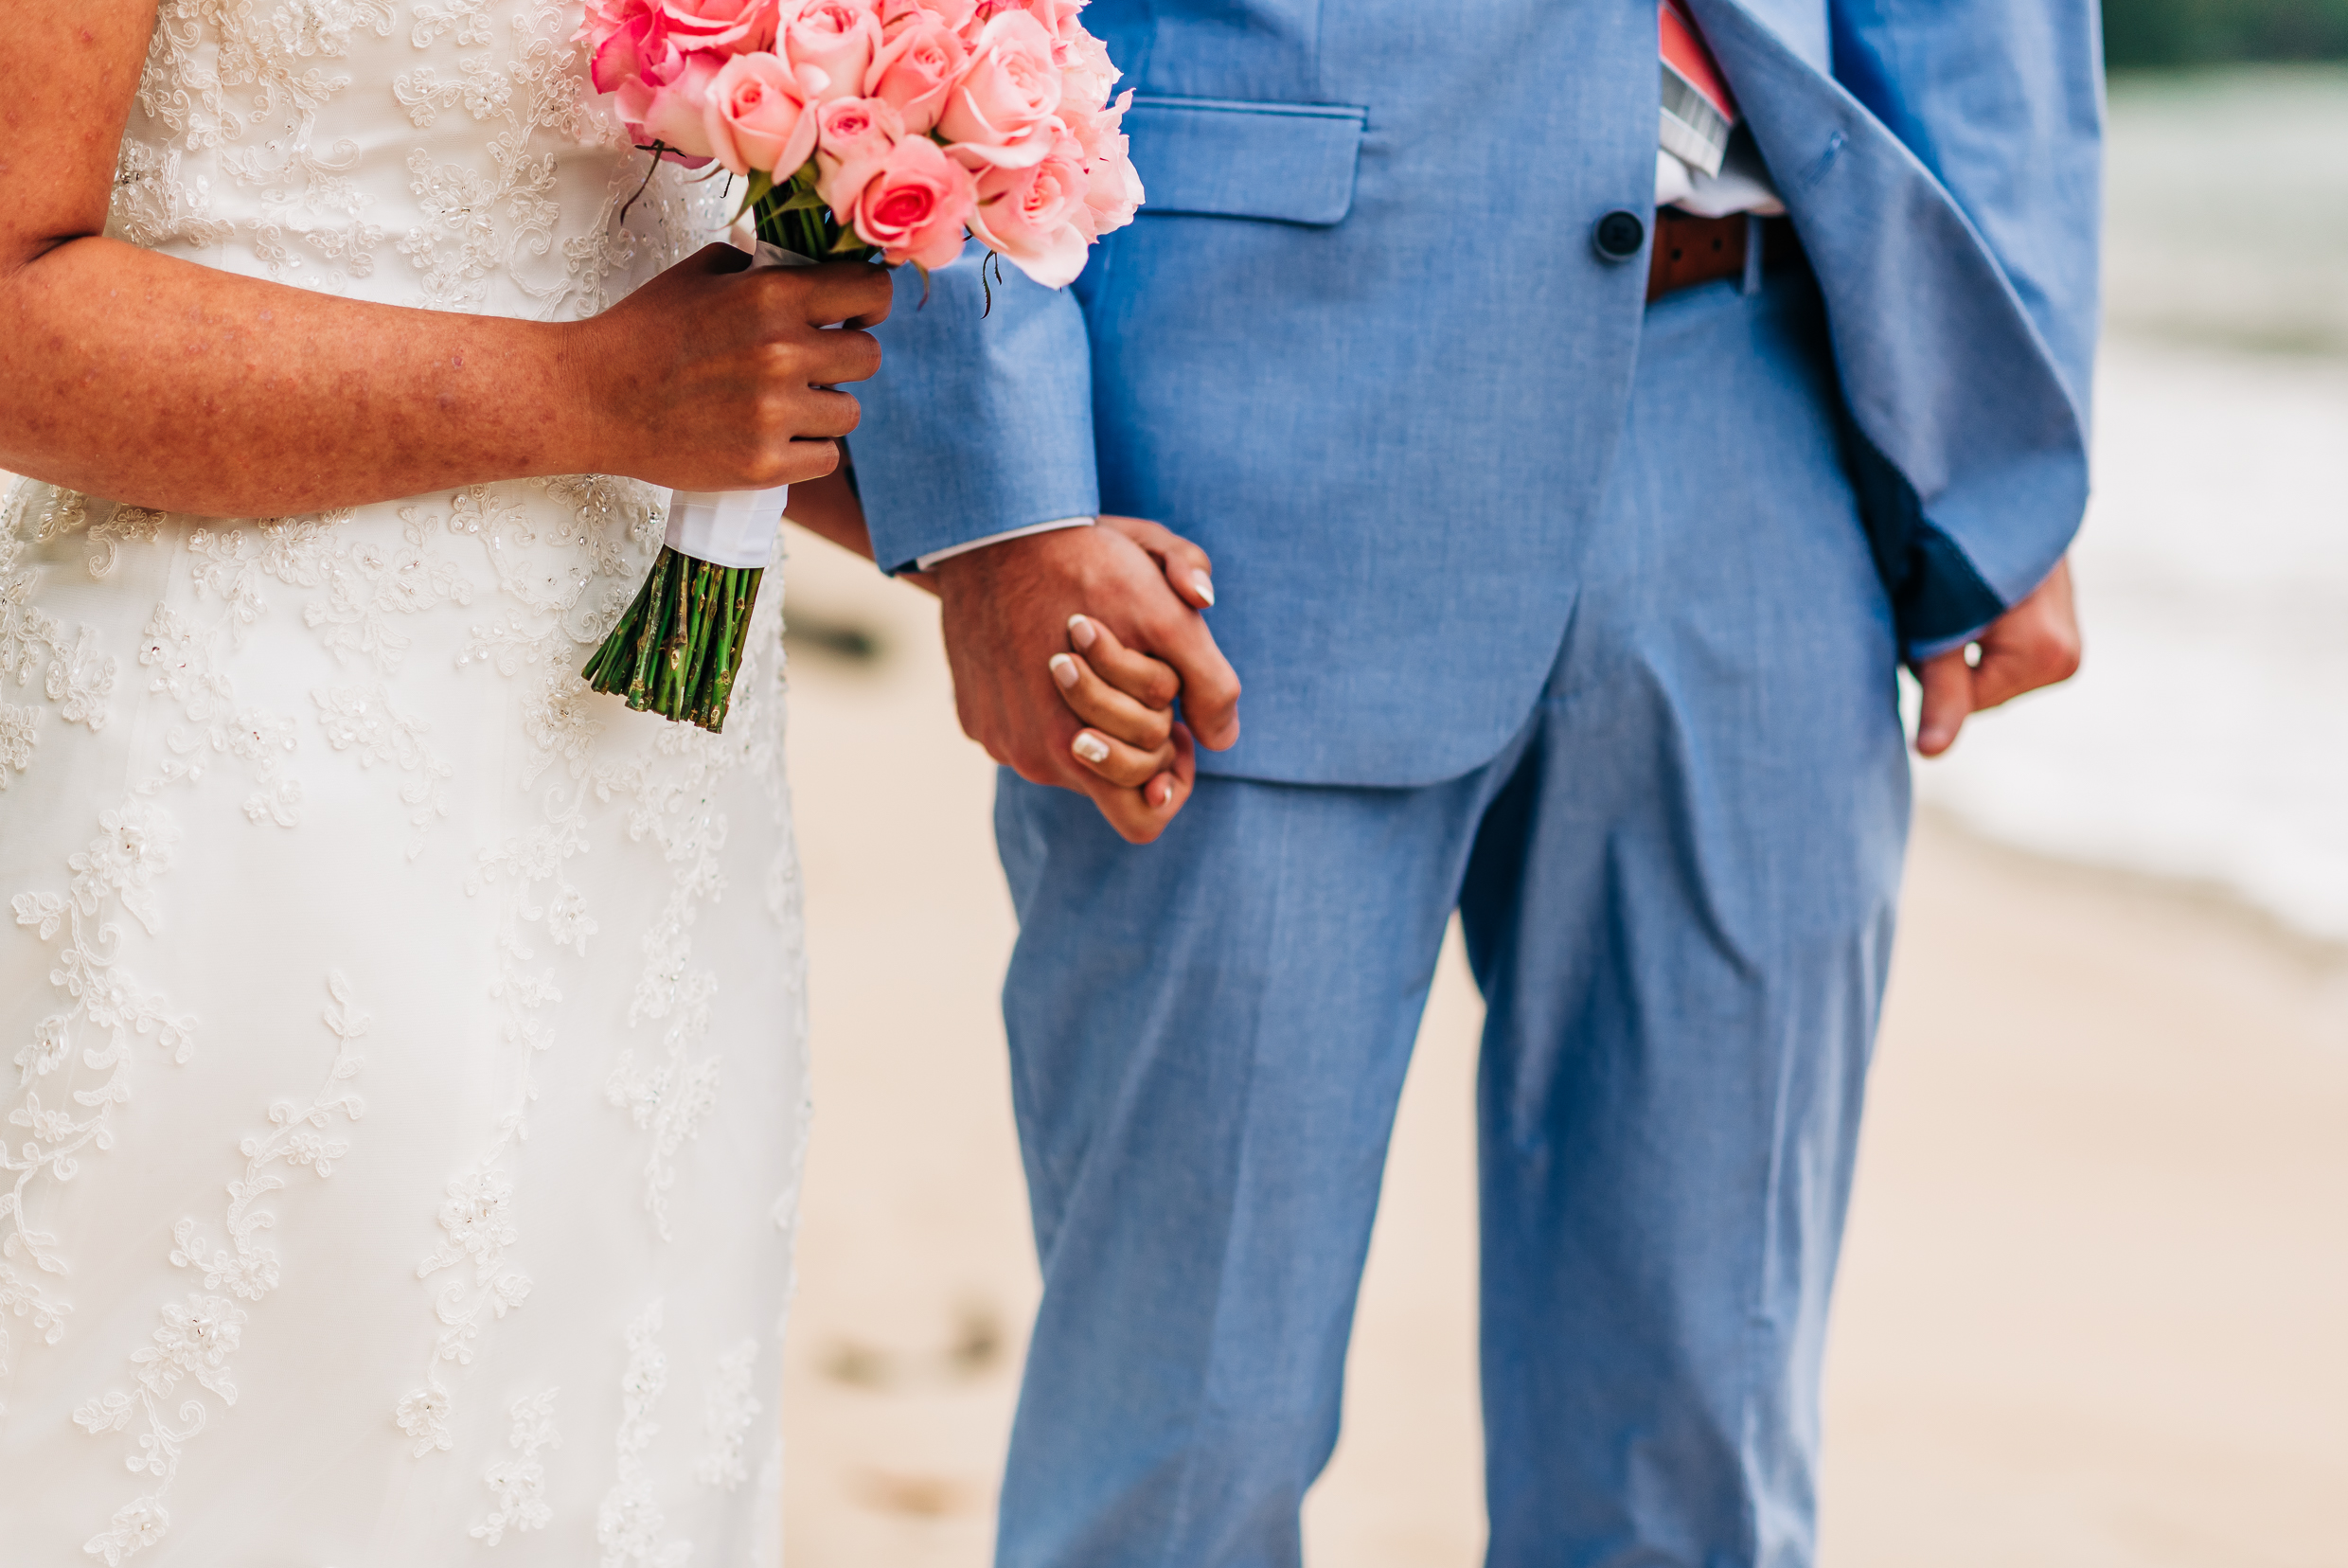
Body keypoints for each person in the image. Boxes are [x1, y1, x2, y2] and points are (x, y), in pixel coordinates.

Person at [837, 0, 2098, 1561]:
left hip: (1772, 405)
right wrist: (998, 491)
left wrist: (2011, 404)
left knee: (1696, 1441)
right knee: (1183, 1445)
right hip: (1245, 423)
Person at [0, 2, 1168, 1560]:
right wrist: (586, 399)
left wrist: (997, 545)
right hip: (255, 781)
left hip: (650, 824)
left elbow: (675, 290)